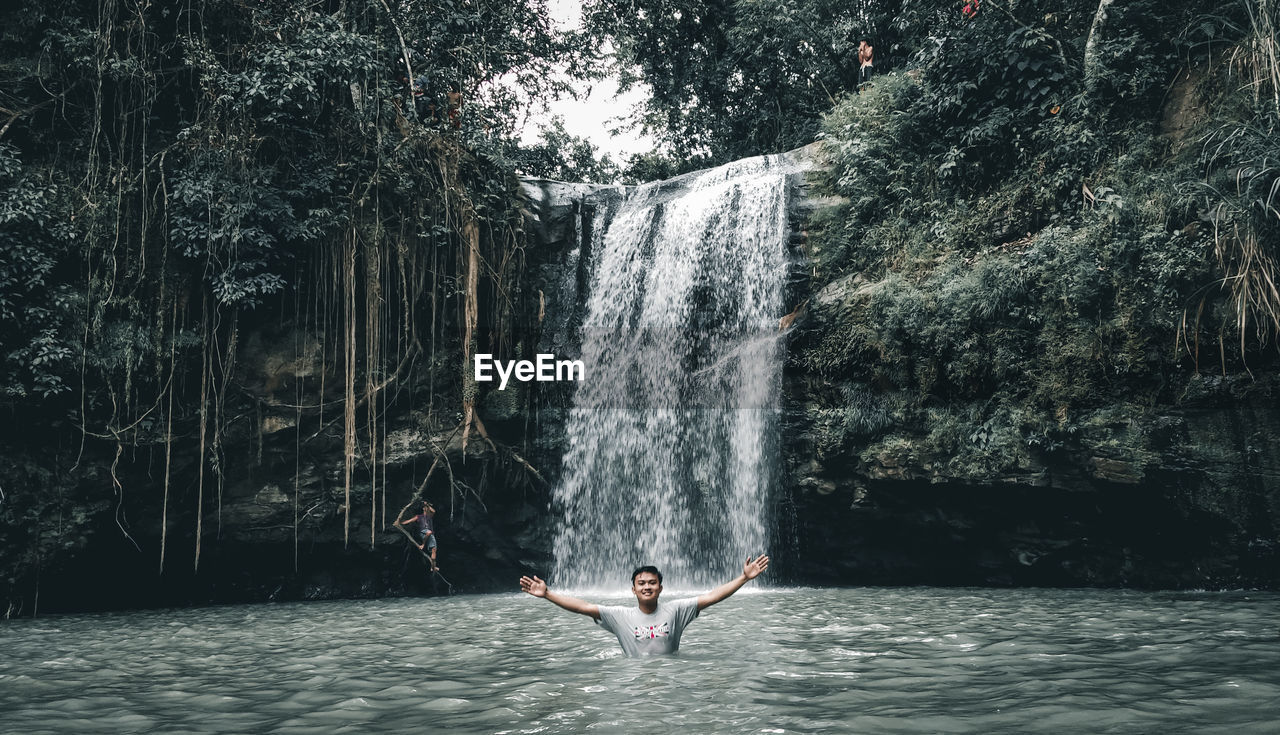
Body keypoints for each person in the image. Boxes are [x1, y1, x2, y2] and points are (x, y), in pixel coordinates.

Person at [518, 554, 770, 656]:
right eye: (642, 583)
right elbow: (582, 606)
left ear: (660, 587)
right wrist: (548, 593)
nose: (647, 586)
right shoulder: (619, 615)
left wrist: (744, 578)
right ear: (633, 589)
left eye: (652, 583)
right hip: (633, 682)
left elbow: (713, 596)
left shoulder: (677, 610)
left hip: (672, 679)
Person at [395, 501, 438, 571]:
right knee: (428, 532)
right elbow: (408, 521)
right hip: (423, 532)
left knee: (434, 551)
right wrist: (400, 522)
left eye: (428, 508)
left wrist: (427, 504)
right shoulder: (418, 517)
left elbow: (433, 511)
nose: (427, 509)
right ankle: (423, 544)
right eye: (426, 508)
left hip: (431, 535)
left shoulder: (430, 515)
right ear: (423, 509)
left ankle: (433, 567)